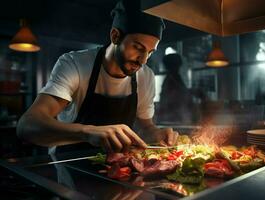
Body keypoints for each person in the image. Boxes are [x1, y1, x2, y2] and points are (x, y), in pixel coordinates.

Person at [17, 0, 179, 153]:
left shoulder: (146, 76)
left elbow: (146, 127)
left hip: (120, 169)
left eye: (150, 52)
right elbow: (27, 126)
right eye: (138, 47)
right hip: (70, 167)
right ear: (115, 36)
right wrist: (87, 131)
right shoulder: (75, 64)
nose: (143, 60)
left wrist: (156, 134)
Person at [158, 53, 194, 123]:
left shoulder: (175, 78)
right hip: (173, 119)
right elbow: (174, 99)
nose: (179, 67)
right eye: (177, 65)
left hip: (176, 117)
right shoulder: (171, 80)